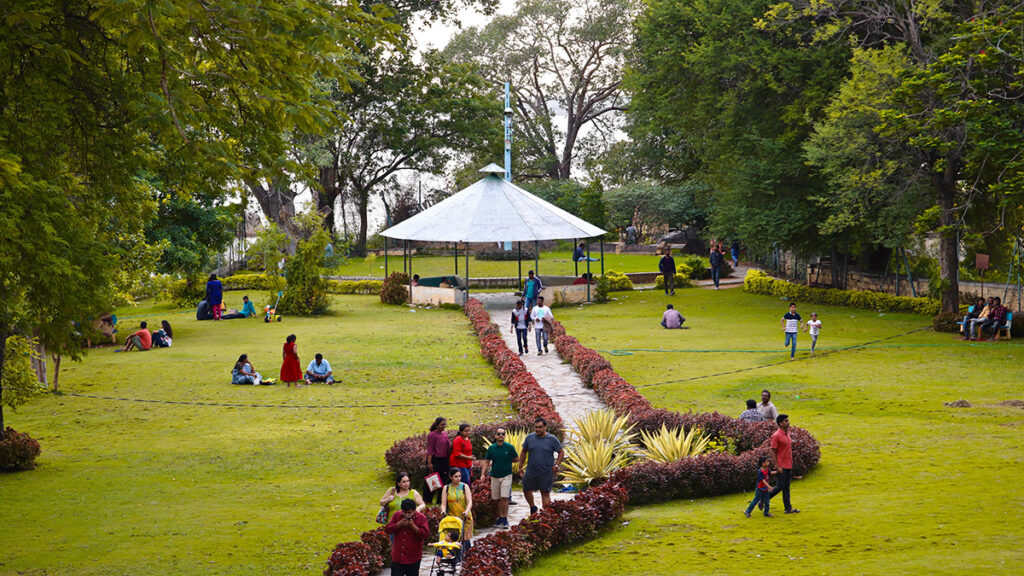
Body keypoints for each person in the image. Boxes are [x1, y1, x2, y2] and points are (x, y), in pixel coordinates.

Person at [517, 417, 564, 515]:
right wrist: (520, 466)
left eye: (540, 427)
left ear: (545, 427)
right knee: (526, 489)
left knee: (545, 492)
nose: (537, 429)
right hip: (531, 470)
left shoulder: (552, 439)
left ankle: (546, 514)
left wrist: (556, 465)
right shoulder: (530, 438)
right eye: (536, 427)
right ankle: (533, 507)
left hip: (546, 471)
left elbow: (561, 452)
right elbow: (524, 451)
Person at [482, 427, 519, 528]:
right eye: (499, 434)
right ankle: (501, 517)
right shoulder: (491, 448)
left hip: (506, 475)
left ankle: (505, 518)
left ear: (505, 436)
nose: (501, 436)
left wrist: (508, 461)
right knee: (497, 498)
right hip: (495, 475)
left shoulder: (509, 447)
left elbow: (517, 458)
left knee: (505, 497)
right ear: (495, 436)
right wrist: (482, 474)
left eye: (503, 434)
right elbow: (486, 461)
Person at [385, 498, 430, 576]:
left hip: (413, 558)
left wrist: (413, 526)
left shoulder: (421, 518)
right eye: (404, 513)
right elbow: (388, 529)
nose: (407, 515)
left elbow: (425, 535)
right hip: (398, 557)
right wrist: (398, 524)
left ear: (414, 510)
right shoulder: (397, 515)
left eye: (409, 513)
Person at [768, 414, 800, 514]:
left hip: (788, 464)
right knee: (781, 486)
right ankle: (764, 499)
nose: (788, 422)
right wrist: (777, 466)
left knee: (786, 487)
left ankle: (788, 508)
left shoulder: (786, 434)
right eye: (786, 421)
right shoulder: (776, 435)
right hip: (781, 465)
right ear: (780, 423)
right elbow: (773, 451)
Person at [440, 468, 474, 540]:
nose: (458, 478)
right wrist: (443, 511)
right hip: (452, 518)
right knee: (452, 539)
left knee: (465, 538)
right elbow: (443, 504)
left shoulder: (465, 487)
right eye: (456, 476)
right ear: (450, 477)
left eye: (459, 476)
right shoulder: (446, 488)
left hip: (465, 516)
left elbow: (469, 502)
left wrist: (467, 511)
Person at [425, 417, 451, 505]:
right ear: (437, 425)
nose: (444, 426)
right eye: (442, 424)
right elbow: (430, 449)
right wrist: (429, 463)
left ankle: (440, 500)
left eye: (445, 424)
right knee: (433, 480)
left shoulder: (444, 434)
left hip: (444, 459)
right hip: (435, 460)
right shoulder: (432, 435)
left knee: (443, 481)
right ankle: (428, 499)